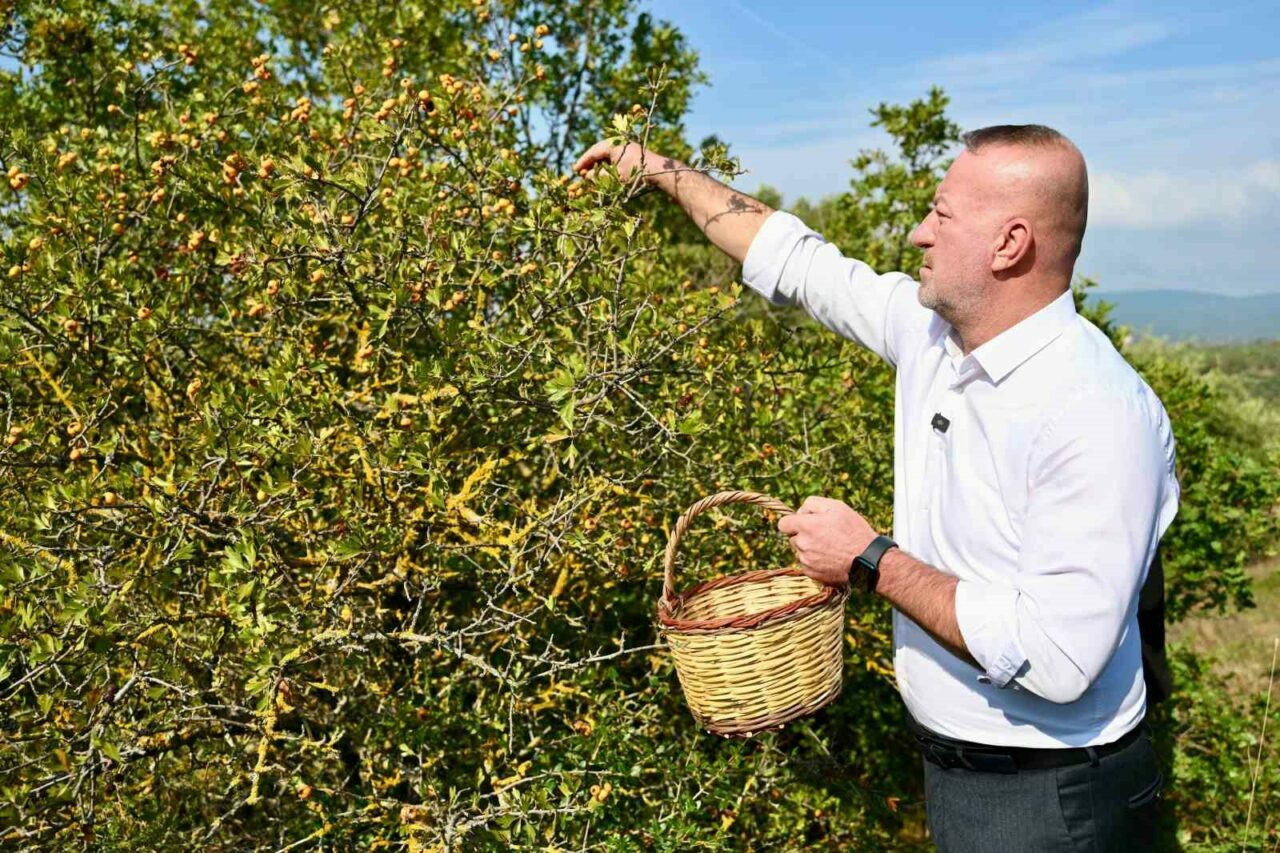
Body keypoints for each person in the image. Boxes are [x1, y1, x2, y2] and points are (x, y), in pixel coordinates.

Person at [573, 125, 1178, 851]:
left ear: (1010, 244)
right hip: (960, 776)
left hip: (1054, 800)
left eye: (943, 215)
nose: (920, 233)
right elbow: (794, 259)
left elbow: (1057, 657)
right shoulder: (933, 338)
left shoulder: (1096, 411)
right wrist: (663, 170)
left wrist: (870, 558)